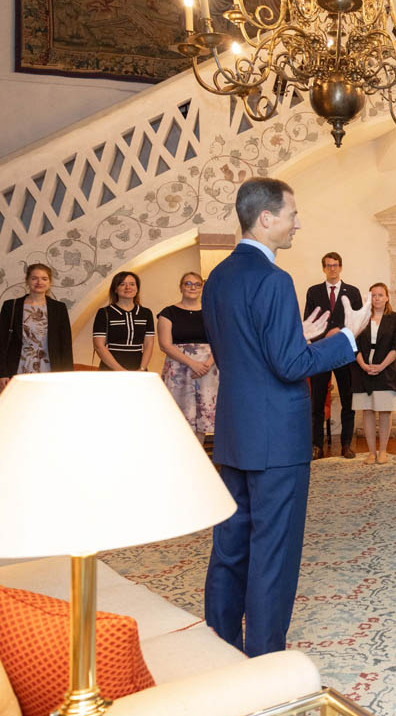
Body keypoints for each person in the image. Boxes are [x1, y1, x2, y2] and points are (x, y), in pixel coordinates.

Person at [202, 177, 369, 656]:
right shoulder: (275, 279)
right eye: (293, 214)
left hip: (235, 431)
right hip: (277, 437)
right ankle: (265, 655)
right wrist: (347, 338)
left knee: (230, 545)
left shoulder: (219, 276)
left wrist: (295, 333)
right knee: (273, 551)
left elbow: (242, 348)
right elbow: (289, 365)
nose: (299, 222)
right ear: (267, 218)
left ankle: (218, 646)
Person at [304, 252, 363, 460]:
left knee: (348, 401)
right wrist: (322, 337)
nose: (332, 269)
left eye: (336, 265)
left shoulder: (353, 292)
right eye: (328, 265)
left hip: (344, 352)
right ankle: (316, 445)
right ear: (323, 268)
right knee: (317, 401)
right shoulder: (313, 292)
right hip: (320, 353)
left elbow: (357, 323)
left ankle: (347, 445)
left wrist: (338, 331)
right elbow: (308, 322)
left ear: (341, 267)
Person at [157, 271, 217, 444]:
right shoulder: (168, 313)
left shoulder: (211, 313)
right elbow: (165, 345)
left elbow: (221, 340)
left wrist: (206, 364)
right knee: (180, 418)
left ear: (202, 287)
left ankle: (198, 460)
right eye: (188, 284)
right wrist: (193, 364)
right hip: (179, 371)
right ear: (181, 287)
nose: (193, 287)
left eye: (197, 284)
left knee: (201, 420)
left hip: (208, 371)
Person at [352, 283, 396, 464]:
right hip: (363, 370)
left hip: (386, 370)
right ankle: (371, 452)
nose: (377, 299)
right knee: (367, 411)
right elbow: (354, 345)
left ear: (387, 297)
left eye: (380, 295)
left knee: (384, 411)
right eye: (373, 295)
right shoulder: (362, 318)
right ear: (369, 298)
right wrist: (364, 365)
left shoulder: (395, 318)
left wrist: (381, 366)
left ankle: (383, 451)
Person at [0, 263, 73, 392]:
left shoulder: (59, 308)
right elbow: (1, 342)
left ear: (50, 282)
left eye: (44, 278)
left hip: (50, 370)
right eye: (34, 278)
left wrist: (67, 376)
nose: (39, 282)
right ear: (27, 281)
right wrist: (2, 373)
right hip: (17, 368)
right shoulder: (10, 306)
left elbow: (65, 345)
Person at [92, 271, 155, 371]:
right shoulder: (104, 313)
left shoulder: (146, 313)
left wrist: (142, 369)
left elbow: (149, 344)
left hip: (138, 367)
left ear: (137, 288)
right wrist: (121, 371)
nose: (128, 287)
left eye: (132, 284)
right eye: (122, 284)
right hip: (111, 368)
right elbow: (99, 345)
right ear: (115, 289)